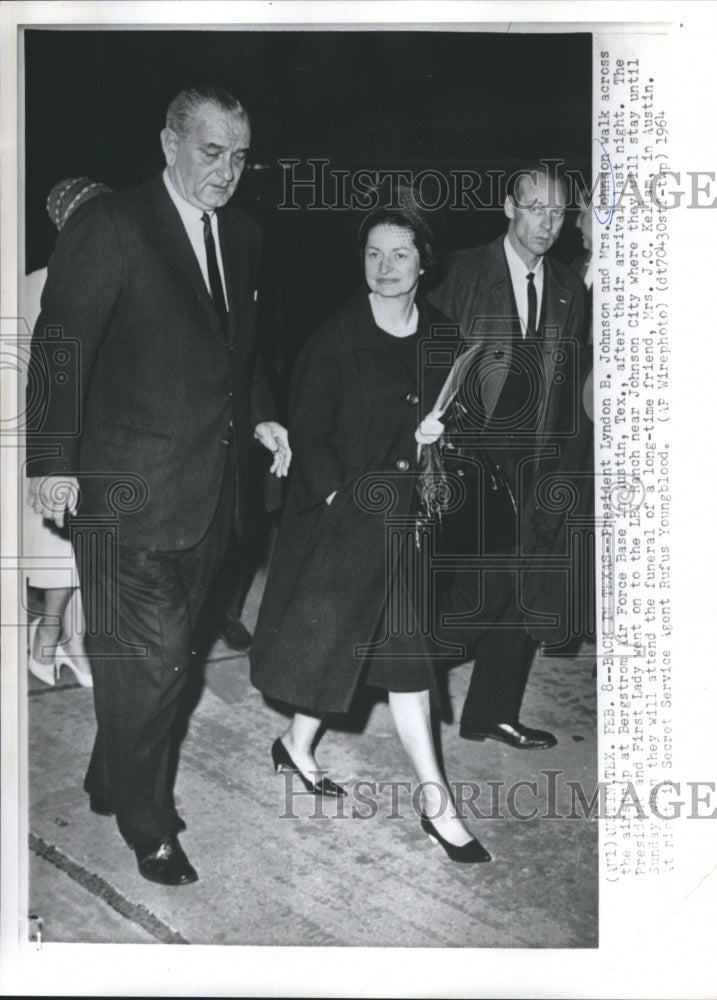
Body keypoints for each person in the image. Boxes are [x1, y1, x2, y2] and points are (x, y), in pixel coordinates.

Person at [26, 86, 290, 886]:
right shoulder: (112, 226)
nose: (228, 171)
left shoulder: (241, 236)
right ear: (169, 144)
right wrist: (49, 463)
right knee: (150, 664)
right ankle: (148, 825)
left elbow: (240, 356)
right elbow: (59, 348)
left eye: (240, 156)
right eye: (212, 152)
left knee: (165, 663)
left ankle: (111, 776)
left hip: (210, 495)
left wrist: (263, 418)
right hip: (123, 496)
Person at [249, 190, 491, 864]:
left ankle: (430, 802)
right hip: (348, 527)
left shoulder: (444, 336)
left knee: (400, 663)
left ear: (422, 265)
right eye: (373, 254)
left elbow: (467, 426)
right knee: (346, 649)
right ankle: (301, 746)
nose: (384, 266)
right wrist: (336, 503)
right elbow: (312, 433)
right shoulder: (334, 338)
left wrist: (446, 433)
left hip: (408, 529)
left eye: (399, 254)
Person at [428, 163, 587, 751]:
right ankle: (403, 686)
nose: (548, 222)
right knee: (458, 586)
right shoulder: (464, 271)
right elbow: (429, 355)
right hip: (468, 451)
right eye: (536, 207)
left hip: (534, 456)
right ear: (508, 207)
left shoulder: (568, 286)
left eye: (559, 211)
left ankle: (491, 712)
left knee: (523, 582)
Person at [24, 178, 111, 688]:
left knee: (84, 554)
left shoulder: (109, 278)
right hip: (48, 442)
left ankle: (66, 639)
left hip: (94, 437)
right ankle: (48, 639)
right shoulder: (35, 283)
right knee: (60, 551)